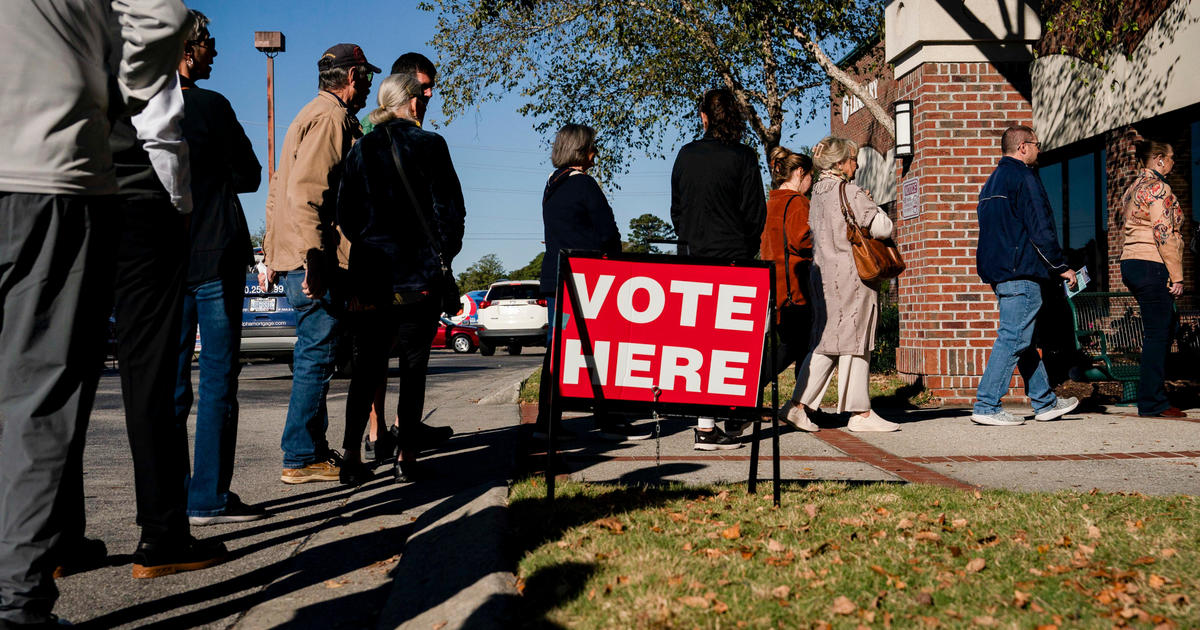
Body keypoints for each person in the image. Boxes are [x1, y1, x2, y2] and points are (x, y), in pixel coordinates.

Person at [0, 0, 189, 622]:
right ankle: (20, 599)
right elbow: (160, 15)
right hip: (49, 166)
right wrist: (115, 84)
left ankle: (50, 548)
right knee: (42, 393)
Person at [336, 73, 466, 484]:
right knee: (413, 368)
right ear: (410, 103)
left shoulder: (362, 149)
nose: (425, 101)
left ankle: (352, 454)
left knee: (366, 368)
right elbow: (451, 210)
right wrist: (441, 253)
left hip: (372, 274)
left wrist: (371, 246)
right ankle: (407, 457)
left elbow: (346, 215)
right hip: (417, 277)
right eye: (420, 96)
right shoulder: (431, 145)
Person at [262, 44, 380, 484]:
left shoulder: (311, 114)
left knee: (315, 353)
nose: (367, 85)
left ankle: (308, 450)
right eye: (365, 76)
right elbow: (307, 193)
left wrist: (274, 253)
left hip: (297, 255)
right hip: (315, 259)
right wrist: (314, 259)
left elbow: (279, 190)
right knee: (317, 355)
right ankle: (300, 457)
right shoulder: (331, 118)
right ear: (352, 77)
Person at [173, 10, 268, 525]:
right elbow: (251, 175)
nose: (215, 51)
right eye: (209, 43)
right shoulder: (212, 106)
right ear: (188, 49)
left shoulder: (138, 110)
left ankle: (168, 497)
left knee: (169, 385)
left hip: (163, 263)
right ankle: (207, 497)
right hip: (214, 252)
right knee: (216, 380)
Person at [362, 51, 453, 462]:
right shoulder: (369, 132)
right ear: (403, 90)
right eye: (422, 86)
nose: (429, 93)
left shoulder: (419, 136)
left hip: (391, 265)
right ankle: (380, 432)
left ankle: (400, 430)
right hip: (394, 268)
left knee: (397, 350)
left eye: (431, 85)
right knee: (390, 354)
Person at [534, 123, 646, 441]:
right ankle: (609, 417)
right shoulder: (584, 184)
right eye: (592, 147)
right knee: (602, 348)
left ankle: (547, 420)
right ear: (581, 151)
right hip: (588, 280)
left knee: (556, 351)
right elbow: (607, 232)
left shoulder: (551, 185)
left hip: (556, 278)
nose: (596, 152)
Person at [670, 88, 767, 450]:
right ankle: (730, 414)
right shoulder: (744, 157)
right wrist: (746, 248)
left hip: (693, 256)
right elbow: (755, 212)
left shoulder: (686, 155)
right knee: (732, 343)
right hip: (733, 258)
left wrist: (691, 236)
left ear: (704, 117)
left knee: (698, 343)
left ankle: (705, 425)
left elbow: (676, 209)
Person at [781, 136, 900, 432]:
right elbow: (884, 228)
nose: (856, 163)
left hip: (822, 278)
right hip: (853, 277)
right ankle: (860, 413)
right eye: (853, 158)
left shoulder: (816, 194)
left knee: (828, 342)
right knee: (857, 341)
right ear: (840, 163)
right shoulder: (851, 191)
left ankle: (798, 405)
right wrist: (871, 203)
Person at [971, 125, 1079, 426]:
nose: (1039, 150)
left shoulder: (992, 182)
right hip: (1022, 272)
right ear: (1023, 147)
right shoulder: (1024, 178)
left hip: (1001, 272)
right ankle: (986, 405)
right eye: (1037, 145)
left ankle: (1045, 402)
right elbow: (1039, 228)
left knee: (1023, 338)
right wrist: (1060, 266)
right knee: (1014, 336)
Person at [1119, 139, 1186, 417]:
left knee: (1161, 328)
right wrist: (1177, 275)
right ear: (1158, 159)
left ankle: (1151, 396)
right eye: (1170, 158)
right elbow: (1163, 232)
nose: (1173, 163)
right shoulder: (1159, 188)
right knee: (1158, 334)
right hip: (1151, 263)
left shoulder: (1133, 188)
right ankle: (1152, 402)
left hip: (1131, 262)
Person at [760, 146, 819, 432]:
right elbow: (802, 240)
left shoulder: (771, 202)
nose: (811, 183)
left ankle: (802, 405)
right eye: (811, 177)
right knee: (796, 347)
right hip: (796, 286)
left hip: (775, 285)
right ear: (799, 173)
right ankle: (758, 387)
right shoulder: (797, 202)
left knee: (794, 346)